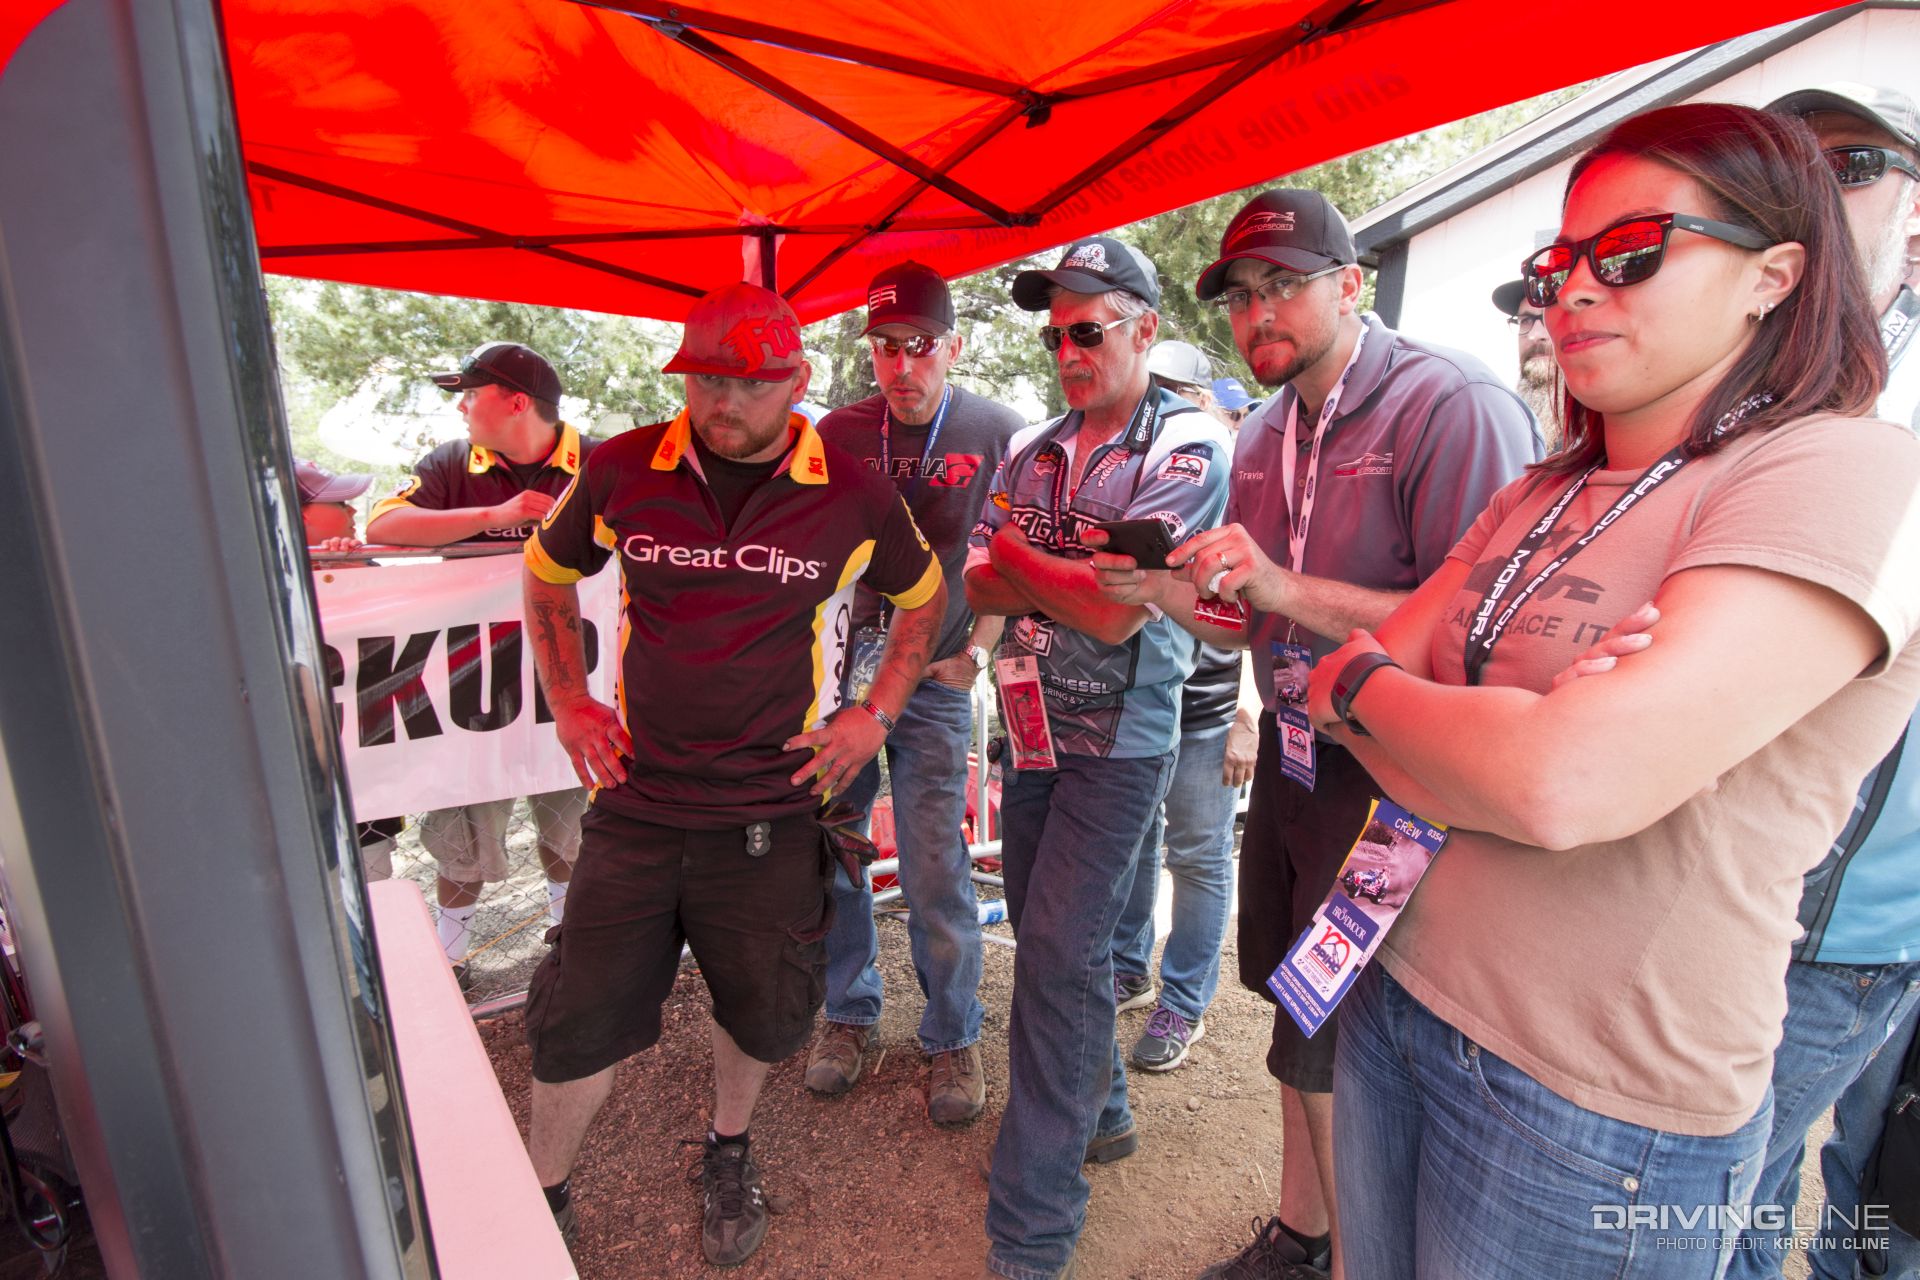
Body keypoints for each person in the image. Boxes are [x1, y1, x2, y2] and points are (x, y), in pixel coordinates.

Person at [1286, 101, 1920, 1278]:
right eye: (1558, 262)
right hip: (1397, 982)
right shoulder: (1544, 485)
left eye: (1629, 251)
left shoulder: (1849, 467)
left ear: (1774, 274)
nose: (1573, 290)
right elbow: (1333, 687)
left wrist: (1411, 702)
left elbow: (1565, 781)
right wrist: (1420, 694)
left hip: (1592, 1098)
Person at [1094, 188, 1538, 1280]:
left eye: (1282, 284)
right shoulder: (1267, 426)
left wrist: (1285, 583)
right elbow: (1248, 612)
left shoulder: (1452, 404)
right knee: (1300, 1017)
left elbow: (1479, 624)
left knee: (1359, 1040)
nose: (1258, 313)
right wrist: (1157, 586)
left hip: (1397, 786)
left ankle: (1359, 1257)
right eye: (1242, 295)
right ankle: (1305, 1233)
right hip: (1296, 770)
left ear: (1350, 284)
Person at [518, 282, 944, 1266]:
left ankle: (728, 1146)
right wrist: (570, 696)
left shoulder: (853, 489)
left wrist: (873, 713)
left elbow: (923, 600)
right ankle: (539, 1192)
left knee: (759, 1002)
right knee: (578, 1011)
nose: (723, 403)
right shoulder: (623, 467)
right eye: (707, 379)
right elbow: (546, 571)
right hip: (634, 804)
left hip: (772, 811)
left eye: (749, 384)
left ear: (796, 380)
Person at [965, 235, 1231, 1279]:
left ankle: (1033, 1220)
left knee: (1060, 961)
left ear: (1144, 329)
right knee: (1045, 940)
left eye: (1089, 329)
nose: (1069, 351)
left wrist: (1020, 556)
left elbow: (1115, 615)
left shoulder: (1189, 442)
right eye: (1056, 333)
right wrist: (1051, 571)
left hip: (1123, 739)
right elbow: (975, 586)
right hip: (1028, 730)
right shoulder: (1031, 445)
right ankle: (1107, 1110)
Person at [1723, 82, 1920, 1280]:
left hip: (1850, 912)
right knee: (1735, 1198)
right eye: (1785, 156)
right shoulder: (1747, 367)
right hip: (1737, 891)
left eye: (1850, 164)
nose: (1809, 178)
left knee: (1870, 1198)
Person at [807, 260, 1019, 1124]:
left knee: (936, 860)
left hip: (933, 681)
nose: (902, 366)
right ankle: (847, 1013)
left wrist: (981, 651)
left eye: (919, 347)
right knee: (833, 847)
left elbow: (1010, 553)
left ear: (952, 348)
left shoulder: (997, 428)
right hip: (843, 685)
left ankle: (951, 1033)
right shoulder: (835, 431)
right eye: (886, 348)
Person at [366, 341, 594, 987]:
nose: (462, 406)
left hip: (572, 683)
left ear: (516, 401)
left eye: (471, 392)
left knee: (569, 817)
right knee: (462, 825)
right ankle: (452, 956)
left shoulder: (597, 460)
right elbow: (383, 525)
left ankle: (567, 934)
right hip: (476, 687)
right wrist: (496, 517)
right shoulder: (450, 462)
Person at [1108, 346, 1258, 1074]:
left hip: (1205, 708)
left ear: (1202, 400)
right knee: (1135, 843)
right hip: (1138, 703)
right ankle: (1132, 969)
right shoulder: (1122, 465)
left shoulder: (1236, 476)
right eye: (1154, 390)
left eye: (1177, 392)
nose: (1161, 403)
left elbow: (1270, 604)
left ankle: (1185, 1001)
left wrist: (1247, 715)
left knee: (1197, 857)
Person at [297, 459, 405, 880]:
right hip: (295, 773)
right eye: (341, 503)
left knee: (372, 886)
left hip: (361, 778)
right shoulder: (247, 575)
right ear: (300, 514)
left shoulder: (361, 567)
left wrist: (355, 577)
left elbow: (409, 633)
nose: (353, 512)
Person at [1492, 279, 1561, 447]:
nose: (1534, 335)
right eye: (1525, 320)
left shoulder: (1604, 430)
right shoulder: (1497, 422)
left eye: (1549, 317)